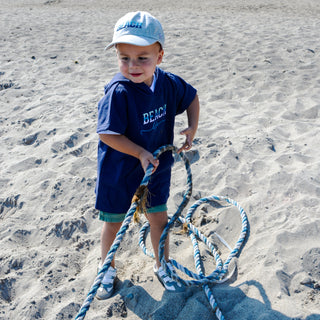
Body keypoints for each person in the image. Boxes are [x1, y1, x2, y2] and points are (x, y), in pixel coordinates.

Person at [95, 11, 200, 300]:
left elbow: (191, 97)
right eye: (124, 57)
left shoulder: (167, 84)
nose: (133, 65)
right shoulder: (118, 92)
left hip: (155, 168)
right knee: (114, 222)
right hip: (119, 170)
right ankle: (106, 268)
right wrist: (139, 151)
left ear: (160, 56)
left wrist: (191, 128)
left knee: (159, 220)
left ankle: (162, 264)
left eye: (143, 57)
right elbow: (106, 134)